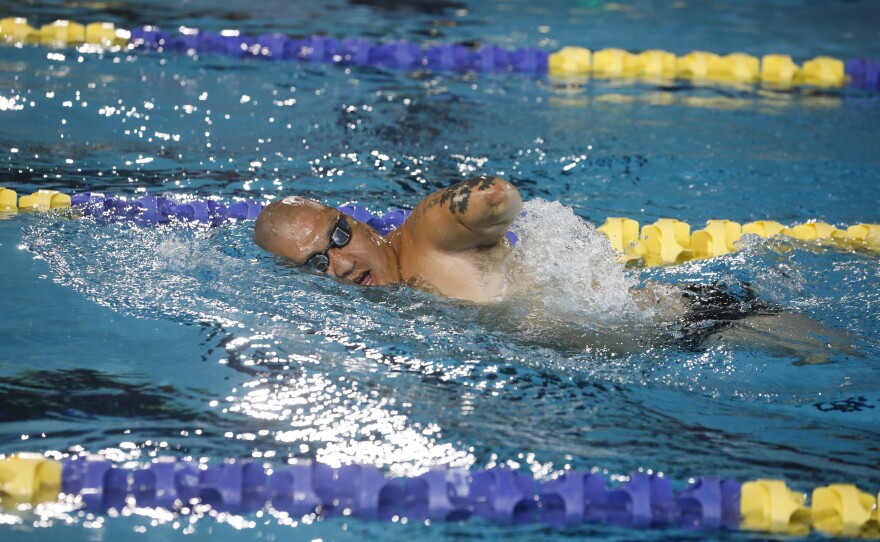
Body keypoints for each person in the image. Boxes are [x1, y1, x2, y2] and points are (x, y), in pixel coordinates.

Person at [253, 174, 522, 303]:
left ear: (361, 225)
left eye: (339, 235)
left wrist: (486, 204)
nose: (343, 265)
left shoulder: (426, 237)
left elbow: (496, 195)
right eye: (317, 263)